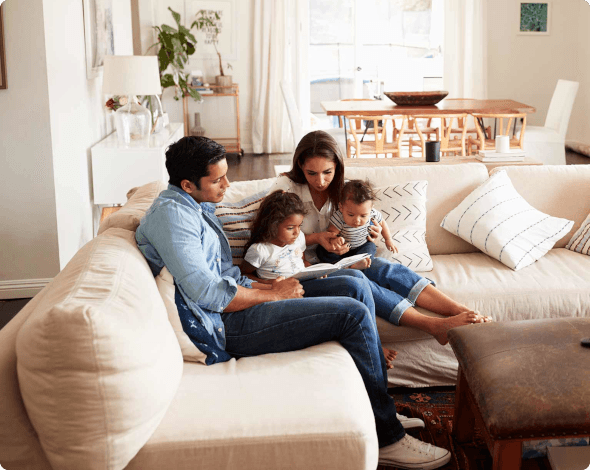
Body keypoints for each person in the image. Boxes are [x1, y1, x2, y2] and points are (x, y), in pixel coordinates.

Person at [135, 136, 451, 469]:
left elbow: (223, 275)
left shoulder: (193, 203)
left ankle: (381, 412)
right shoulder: (174, 218)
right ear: (187, 184)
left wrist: (269, 283)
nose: (228, 184)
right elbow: (210, 295)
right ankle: (388, 438)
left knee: (354, 282)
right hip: (225, 324)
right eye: (217, 180)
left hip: (245, 295)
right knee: (354, 315)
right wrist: (272, 293)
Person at [269, 130, 492, 346]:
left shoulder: (342, 191)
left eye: (328, 171)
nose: (320, 181)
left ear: (337, 166)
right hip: (307, 268)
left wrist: (371, 233)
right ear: (300, 165)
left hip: (344, 258)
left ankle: (460, 310)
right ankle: (434, 326)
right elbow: (272, 238)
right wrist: (318, 237)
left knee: (384, 268)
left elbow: (364, 220)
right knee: (361, 281)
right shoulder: (286, 190)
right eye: (312, 173)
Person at [240, 189, 397, 368]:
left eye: (299, 226)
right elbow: (244, 274)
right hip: (286, 293)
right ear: (272, 225)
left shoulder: (298, 238)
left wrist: (312, 270)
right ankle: (373, 348)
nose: (297, 232)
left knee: (357, 278)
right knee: (351, 292)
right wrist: (270, 285)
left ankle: (373, 344)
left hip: (307, 282)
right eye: (290, 228)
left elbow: (301, 260)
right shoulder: (260, 250)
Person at [316, 179, 398, 269]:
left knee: (371, 246)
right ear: (341, 207)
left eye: (363, 216)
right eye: (351, 215)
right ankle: (338, 265)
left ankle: (359, 263)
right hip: (342, 249)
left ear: (370, 209)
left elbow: (382, 222)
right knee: (321, 250)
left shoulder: (373, 214)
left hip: (361, 247)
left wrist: (388, 239)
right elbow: (331, 232)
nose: (357, 220)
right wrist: (335, 240)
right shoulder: (339, 217)